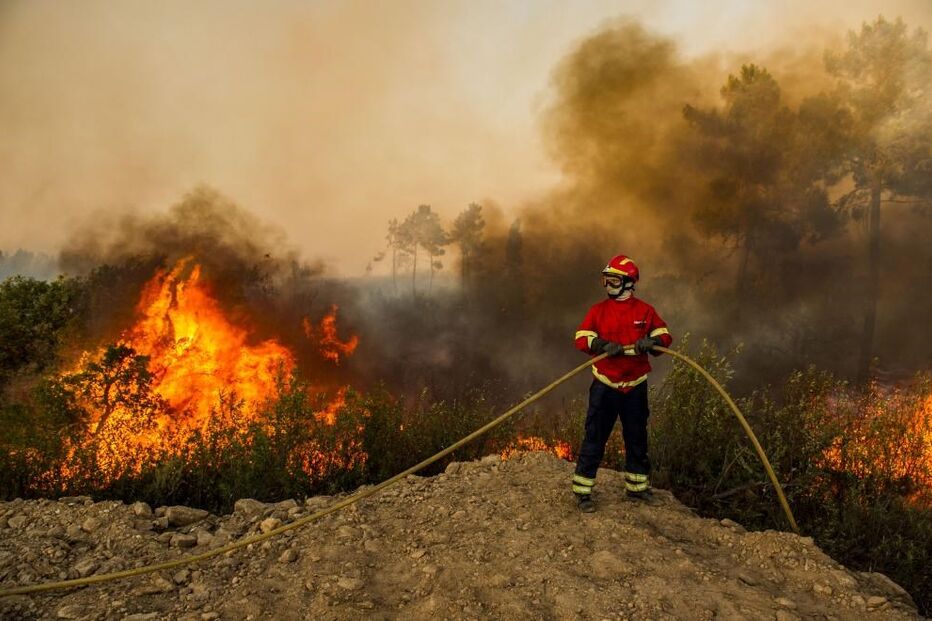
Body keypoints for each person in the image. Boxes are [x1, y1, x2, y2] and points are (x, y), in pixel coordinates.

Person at [571, 254, 672, 513]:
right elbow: (582, 337)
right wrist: (601, 345)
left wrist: (654, 342)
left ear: (628, 283)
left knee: (637, 437)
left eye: (613, 280)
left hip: (635, 386)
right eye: (606, 280)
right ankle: (583, 492)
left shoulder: (645, 311)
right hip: (605, 385)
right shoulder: (598, 310)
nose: (608, 285)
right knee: (595, 437)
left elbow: (663, 333)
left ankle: (637, 488)